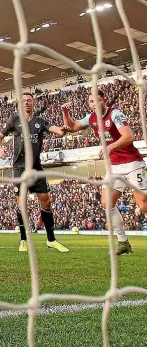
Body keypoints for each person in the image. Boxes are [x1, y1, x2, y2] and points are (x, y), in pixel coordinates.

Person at [62, 90, 147, 255]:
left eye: (98, 100)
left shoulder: (115, 114)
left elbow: (129, 136)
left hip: (132, 163)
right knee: (107, 203)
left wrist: (110, 146)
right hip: (114, 167)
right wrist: (66, 113)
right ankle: (123, 242)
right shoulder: (91, 118)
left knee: (143, 205)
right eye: (91, 101)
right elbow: (72, 127)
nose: (94, 104)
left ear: (104, 101)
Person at [0, 92, 70, 252]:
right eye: (23, 101)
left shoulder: (39, 121)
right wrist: (0, 148)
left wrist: (64, 123)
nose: (26, 103)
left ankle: (51, 240)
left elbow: (60, 131)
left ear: (33, 103)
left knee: (46, 202)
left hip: (36, 168)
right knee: (21, 204)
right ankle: (23, 240)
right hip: (19, 169)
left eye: (29, 100)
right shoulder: (14, 120)